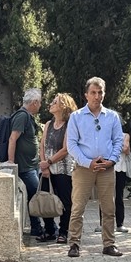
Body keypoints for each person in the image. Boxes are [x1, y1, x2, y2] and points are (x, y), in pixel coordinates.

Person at [66, 77, 124, 258]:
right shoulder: (76, 117)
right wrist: (86, 162)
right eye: (93, 92)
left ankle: (109, 244)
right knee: (78, 207)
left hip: (106, 168)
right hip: (85, 168)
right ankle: (74, 243)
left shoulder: (112, 116)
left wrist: (112, 160)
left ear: (104, 94)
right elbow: (72, 144)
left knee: (109, 208)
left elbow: (118, 140)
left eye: (100, 93)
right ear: (86, 95)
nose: (97, 96)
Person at [8, 89, 45, 241]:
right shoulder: (22, 116)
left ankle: (36, 227)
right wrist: (11, 162)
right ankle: (48, 227)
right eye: (40, 102)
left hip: (32, 165)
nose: (40, 105)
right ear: (34, 102)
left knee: (33, 196)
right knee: (38, 195)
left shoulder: (28, 117)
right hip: (25, 167)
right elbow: (12, 139)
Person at [39, 93, 77, 242]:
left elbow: (65, 148)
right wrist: (44, 165)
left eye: (55, 102)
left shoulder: (69, 125)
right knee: (45, 199)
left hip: (63, 169)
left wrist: (48, 162)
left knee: (65, 201)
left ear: (63, 106)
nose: (51, 104)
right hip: (46, 168)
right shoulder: (48, 124)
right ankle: (49, 231)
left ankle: (63, 232)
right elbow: (42, 145)